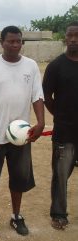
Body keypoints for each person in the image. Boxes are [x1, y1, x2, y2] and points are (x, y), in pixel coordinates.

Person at [0, 25, 45, 236]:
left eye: (18, 41)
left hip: (21, 136)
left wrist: (40, 123)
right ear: (1, 42)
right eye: (10, 41)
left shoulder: (31, 66)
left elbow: (37, 97)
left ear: (22, 42)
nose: (15, 45)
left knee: (19, 178)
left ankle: (16, 216)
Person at [42, 21, 78, 230]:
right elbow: (46, 96)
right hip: (65, 131)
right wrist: (61, 115)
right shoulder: (56, 66)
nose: (73, 39)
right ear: (65, 38)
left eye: (77, 36)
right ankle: (59, 214)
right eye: (70, 36)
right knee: (61, 173)